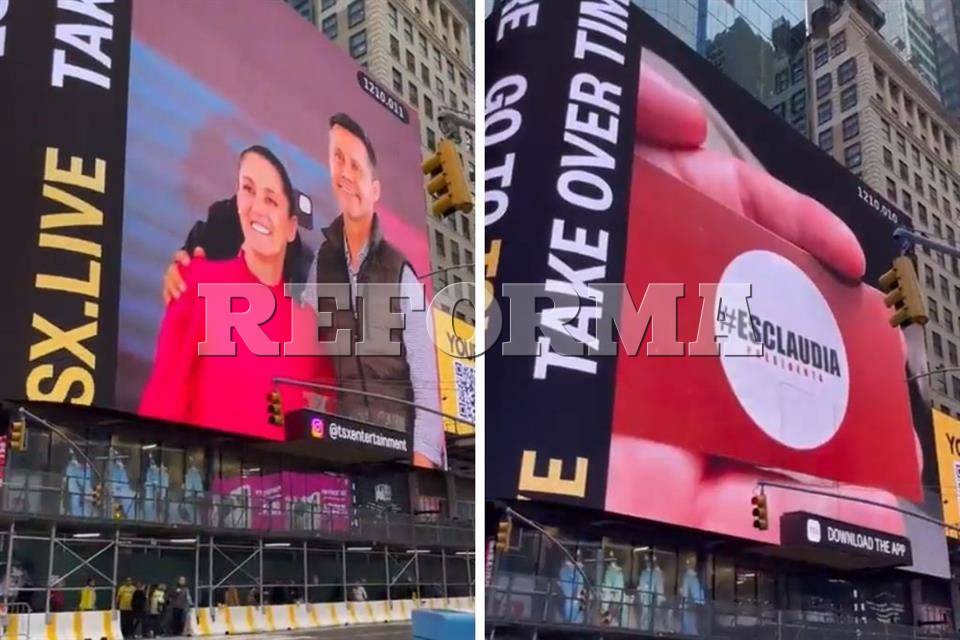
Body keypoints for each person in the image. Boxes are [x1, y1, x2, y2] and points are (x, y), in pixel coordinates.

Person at [161, 118, 446, 469]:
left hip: (398, 453)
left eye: (355, 165)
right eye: (337, 159)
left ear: (375, 190)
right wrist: (188, 263)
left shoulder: (399, 270)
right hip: (345, 455)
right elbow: (291, 335)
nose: (345, 172)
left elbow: (425, 379)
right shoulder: (318, 264)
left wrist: (423, 463)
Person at [140, 146, 336, 438]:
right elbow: (164, 397)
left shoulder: (309, 320)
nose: (257, 208)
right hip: (203, 475)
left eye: (271, 200)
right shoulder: (197, 279)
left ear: (292, 226)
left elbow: (328, 418)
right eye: (248, 189)